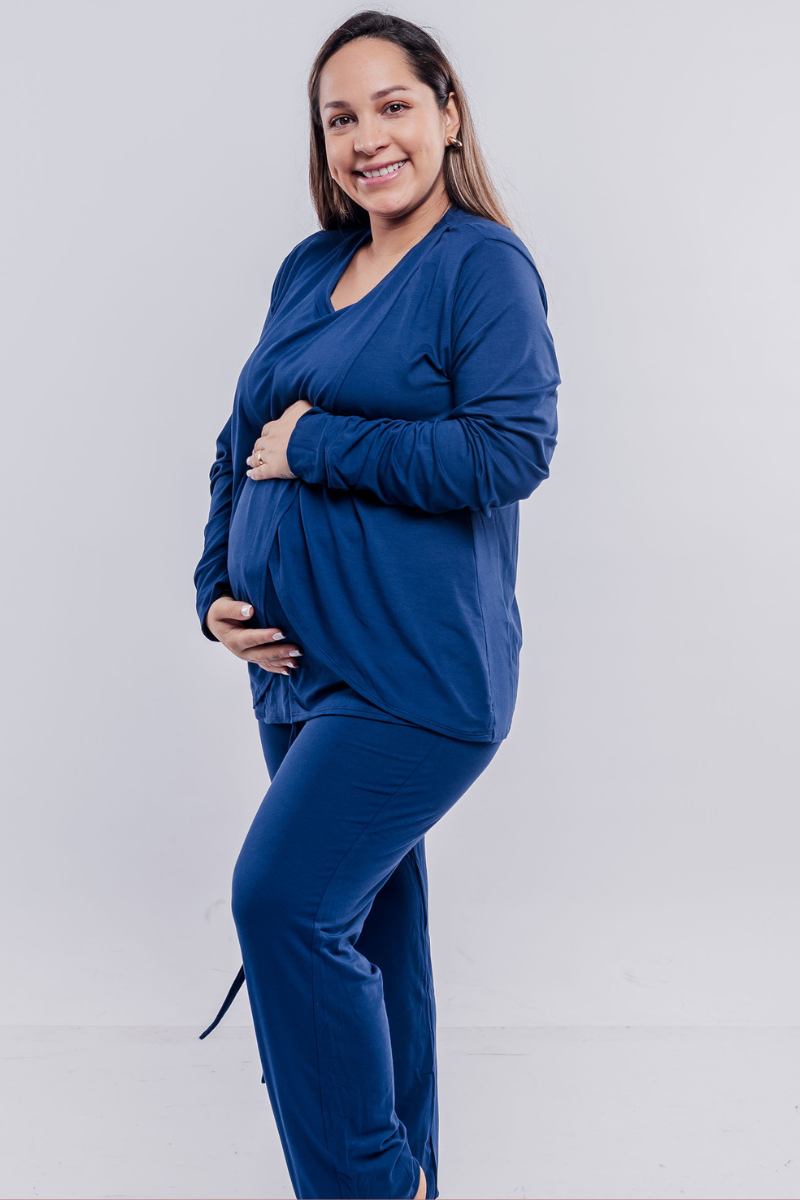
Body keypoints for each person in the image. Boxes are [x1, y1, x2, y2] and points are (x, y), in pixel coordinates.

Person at [192, 11, 561, 1199]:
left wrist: (322, 447)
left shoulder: (480, 266)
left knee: (281, 903)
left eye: (391, 106)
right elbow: (239, 443)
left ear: (446, 112)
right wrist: (215, 590)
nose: (366, 139)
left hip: (415, 675)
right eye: (339, 118)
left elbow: (508, 450)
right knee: (369, 937)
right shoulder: (309, 268)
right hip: (296, 673)